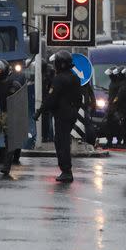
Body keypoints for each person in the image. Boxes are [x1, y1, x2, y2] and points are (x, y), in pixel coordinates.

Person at [34, 51, 83, 182]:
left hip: (61, 115)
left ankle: (66, 171)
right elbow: (79, 99)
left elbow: (51, 98)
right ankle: (66, 170)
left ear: (59, 64)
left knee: (61, 143)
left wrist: (40, 111)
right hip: (71, 114)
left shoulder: (59, 79)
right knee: (64, 140)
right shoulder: (75, 77)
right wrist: (74, 110)